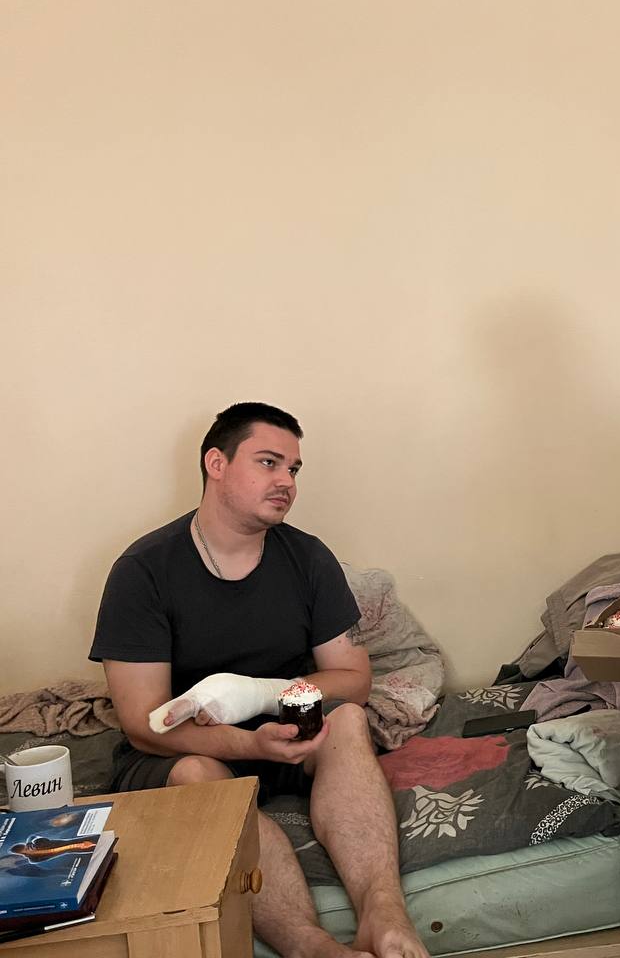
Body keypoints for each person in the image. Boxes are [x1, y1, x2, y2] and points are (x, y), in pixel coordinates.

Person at [90, 403, 429, 958]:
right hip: (187, 744)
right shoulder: (144, 570)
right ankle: (311, 946)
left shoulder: (308, 557)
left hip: (288, 726)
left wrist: (269, 698)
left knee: (346, 720)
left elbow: (354, 680)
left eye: (293, 469)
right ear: (216, 463)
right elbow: (143, 724)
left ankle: (384, 914)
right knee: (199, 774)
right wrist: (250, 744)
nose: (286, 481)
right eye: (269, 462)